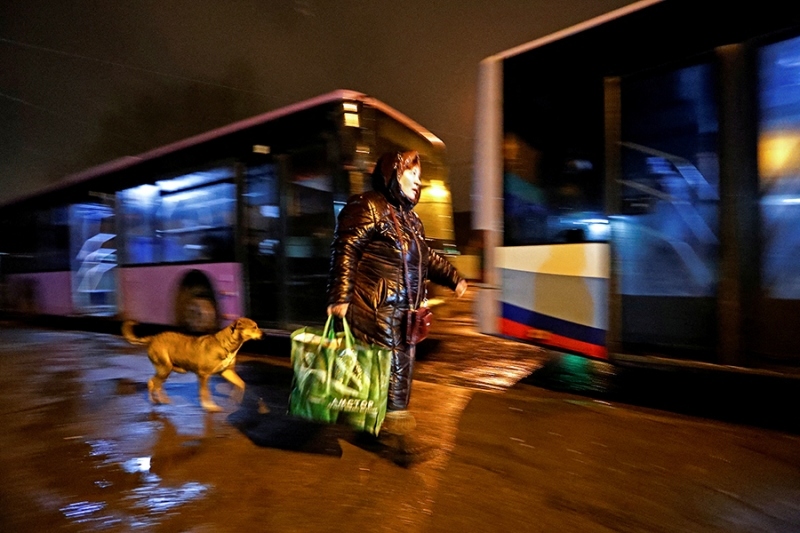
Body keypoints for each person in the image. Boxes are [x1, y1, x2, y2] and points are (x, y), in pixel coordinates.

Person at [327, 150, 467, 445]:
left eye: (419, 176)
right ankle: (392, 432)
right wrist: (340, 295)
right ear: (394, 174)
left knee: (397, 366)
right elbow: (346, 249)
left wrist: (454, 278)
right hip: (375, 305)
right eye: (412, 174)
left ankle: (382, 424)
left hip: (404, 310)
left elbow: (426, 258)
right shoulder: (368, 205)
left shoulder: (411, 220)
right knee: (389, 366)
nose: (419, 181)